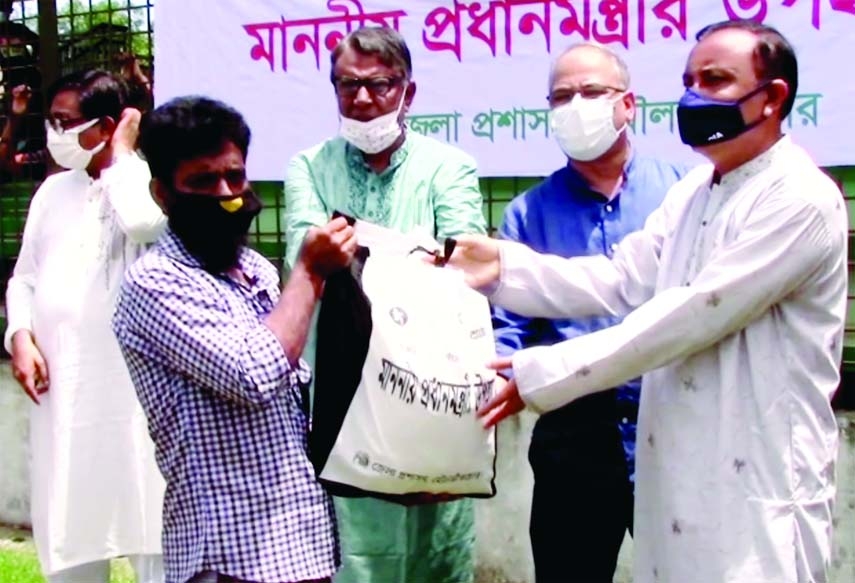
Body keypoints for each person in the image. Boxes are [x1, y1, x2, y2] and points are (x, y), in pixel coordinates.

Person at [445, 20, 848, 583]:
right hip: (678, 471)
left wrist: (540, 373)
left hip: (759, 477)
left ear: (773, 98)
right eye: (688, 79)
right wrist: (504, 267)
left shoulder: (800, 198)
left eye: (715, 80)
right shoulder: (693, 190)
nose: (693, 96)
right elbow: (620, 279)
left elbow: (689, 315)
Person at [114, 96, 356, 583]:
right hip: (227, 558)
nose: (227, 195)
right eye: (203, 181)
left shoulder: (257, 272)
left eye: (235, 176)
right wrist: (309, 271)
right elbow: (254, 374)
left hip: (300, 542)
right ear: (163, 194)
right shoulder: (155, 282)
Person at [284, 26, 485, 583]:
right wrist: (411, 255)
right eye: (347, 85)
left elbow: (464, 261)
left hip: (430, 386)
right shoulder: (309, 167)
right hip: (342, 387)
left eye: (380, 84)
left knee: (436, 544)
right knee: (353, 547)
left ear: (408, 93)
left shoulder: (448, 167)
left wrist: (360, 250)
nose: (363, 99)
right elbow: (309, 251)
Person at [492, 42, 687, 582]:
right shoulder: (528, 214)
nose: (576, 105)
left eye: (592, 92)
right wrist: (500, 376)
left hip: (677, 426)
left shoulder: (682, 195)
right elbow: (509, 328)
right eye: (562, 96)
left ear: (629, 104)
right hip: (574, 435)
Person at [3, 69, 166, 583]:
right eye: (52, 120)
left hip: (134, 397)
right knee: (71, 529)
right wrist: (21, 336)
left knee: (152, 527)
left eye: (67, 122)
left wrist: (121, 152)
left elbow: (143, 224)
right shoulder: (51, 192)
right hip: (65, 391)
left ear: (110, 125)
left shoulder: (147, 180)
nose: (56, 133)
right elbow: (24, 278)